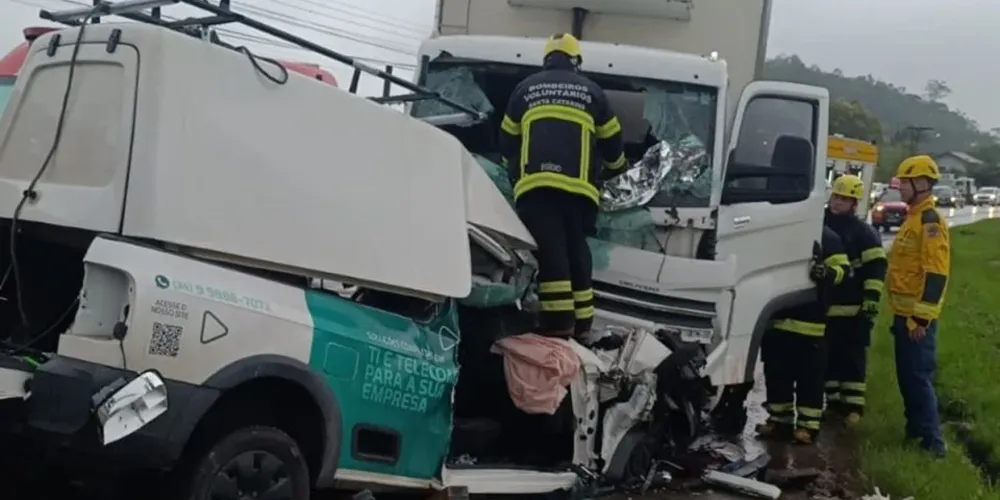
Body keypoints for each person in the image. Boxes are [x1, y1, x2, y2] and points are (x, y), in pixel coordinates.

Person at [498, 33, 627, 339]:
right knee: (575, 251)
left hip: (536, 188)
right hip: (580, 193)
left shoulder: (525, 89)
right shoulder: (592, 92)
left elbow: (507, 140)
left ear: (547, 60)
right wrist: (617, 170)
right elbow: (612, 141)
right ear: (575, 61)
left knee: (551, 252)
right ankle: (582, 324)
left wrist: (510, 170)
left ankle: (558, 324)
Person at [758, 226, 852, 444]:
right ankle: (779, 421)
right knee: (776, 374)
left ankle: (808, 426)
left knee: (809, 378)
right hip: (776, 317)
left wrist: (826, 273)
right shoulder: (775, 230)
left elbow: (843, 271)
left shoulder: (826, 236)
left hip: (809, 320)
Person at [886, 155, 950, 457]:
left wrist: (921, 319)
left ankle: (932, 444)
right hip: (903, 316)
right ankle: (915, 433)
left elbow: (936, 274)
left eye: (905, 183)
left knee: (918, 379)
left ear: (922, 183)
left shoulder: (930, 222)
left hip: (916, 321)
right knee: (907, 378)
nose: (900, 188)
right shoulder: (913, 217)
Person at [823, 175, 887, 424]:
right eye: (835, 196)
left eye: (844, 198)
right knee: (828, 359)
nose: (837, 202)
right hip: (826, 307)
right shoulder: (819, 225)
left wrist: (871, 299)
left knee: (852, 359)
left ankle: (853, 407)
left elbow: (876, 269)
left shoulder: (864, 233)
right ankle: (833, 403)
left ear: (854, 203)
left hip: (853, 309)